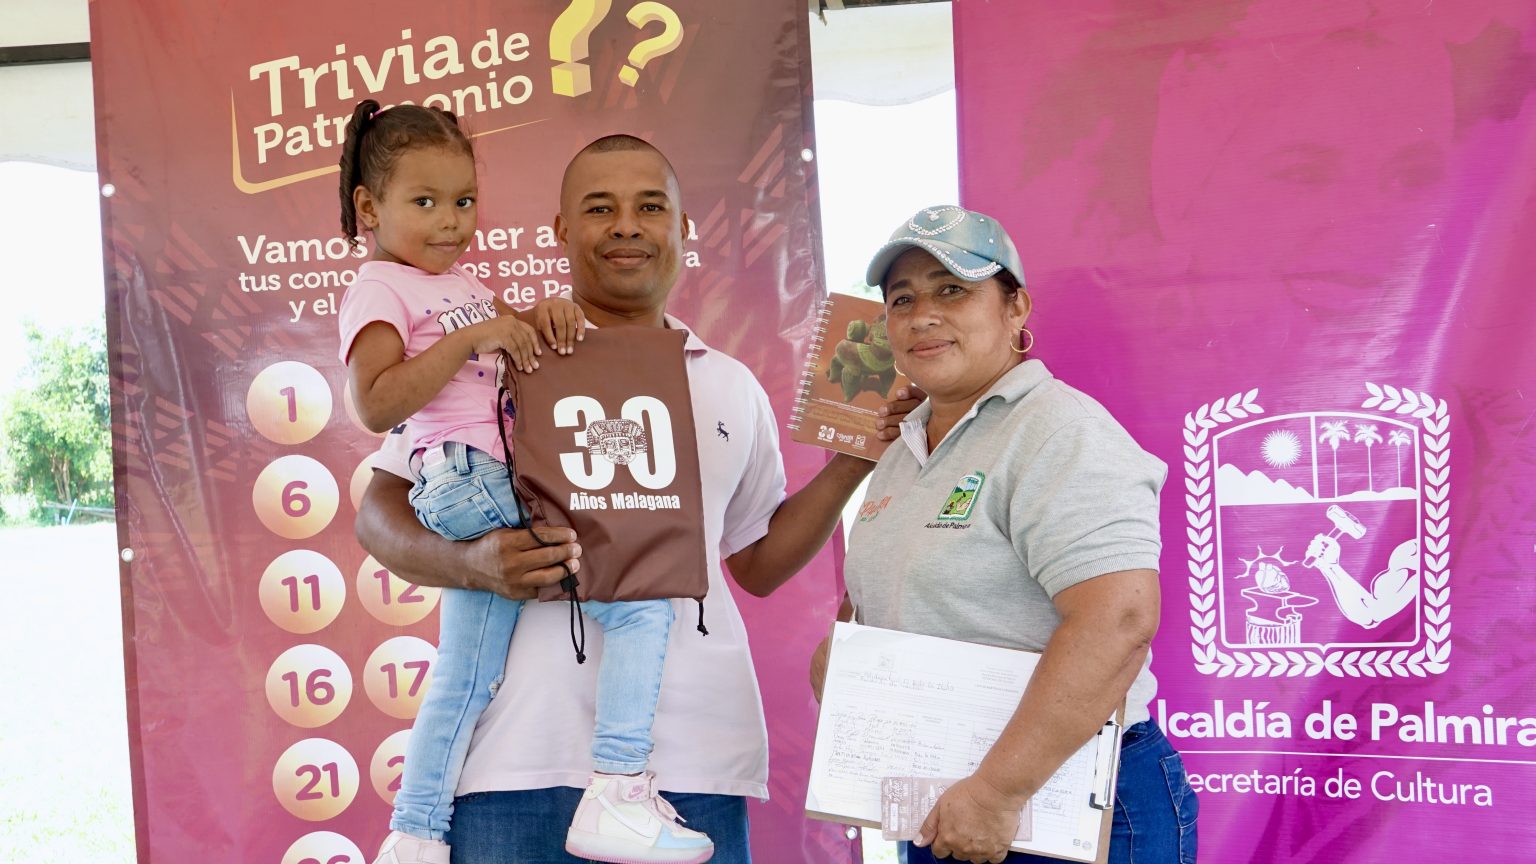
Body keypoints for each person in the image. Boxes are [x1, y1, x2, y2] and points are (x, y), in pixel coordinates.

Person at [355, 134, 911, 864]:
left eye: (650, 207)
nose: (626, 226)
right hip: (514, 765)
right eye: (599, 208)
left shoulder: (729, 384)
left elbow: (757, 563)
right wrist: (473, 564)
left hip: (692, 764)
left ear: (683, 229)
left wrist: (853, 462)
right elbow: (378, 513)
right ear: (560, 230)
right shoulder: (503, 355)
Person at [335, 101, 707, 864]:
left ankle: (415, 834)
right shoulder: (381, 288)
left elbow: (523, 335)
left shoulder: (458, 283)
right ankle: (618, 789)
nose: (450, 222)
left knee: (465, 675)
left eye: (464, 201)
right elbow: (373, 403)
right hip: (470, 481)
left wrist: (546, 315)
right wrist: (472, 339)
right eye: (425, 202)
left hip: (481, 480)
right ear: (370, 209)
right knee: (640, 604)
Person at [809, 206, 1198, 864]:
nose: (922, 316)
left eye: (952, 290)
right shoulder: (903, 448)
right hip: (946, 802)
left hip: (1059, 799)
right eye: (902, 299)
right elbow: (892, 597)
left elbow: (1119, 619)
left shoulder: (1059, 430)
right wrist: (848, 658)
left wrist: (998, 792)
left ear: (1016, 308)